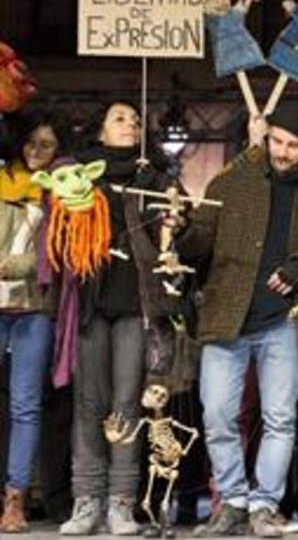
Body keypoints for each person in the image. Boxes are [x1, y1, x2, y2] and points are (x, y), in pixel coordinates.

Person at [177, 104, 298, 538]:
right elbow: (198, 240)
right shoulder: (231, 182)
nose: (282, 151)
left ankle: (265, 504)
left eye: (293, 145)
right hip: (226, 315)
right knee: (217, 414)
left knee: (280, 417)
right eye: (276, 140)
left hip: (285, 322)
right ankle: (233, 502)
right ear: (267, 136)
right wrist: (179, 227)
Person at [55, 101, 174, 536]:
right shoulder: (76, 174)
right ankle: (86, 499)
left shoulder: (156, 179)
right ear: (100, 130)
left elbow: (176, 237)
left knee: (127, 404)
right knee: (89, 403)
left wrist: (166, 213)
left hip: (134, 305)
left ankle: (121, 503)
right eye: (121, 118)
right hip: (88, 303)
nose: (131, 125)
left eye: (137, 120)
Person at [0, 108, 65, 531]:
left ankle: (15, 500)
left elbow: (60, 255)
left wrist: (20, 264)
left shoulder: (62, 190)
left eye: (47, 145)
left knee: (25, 406)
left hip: (34, 308)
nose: (36, 151)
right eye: (31, 143)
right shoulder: (5, 180)